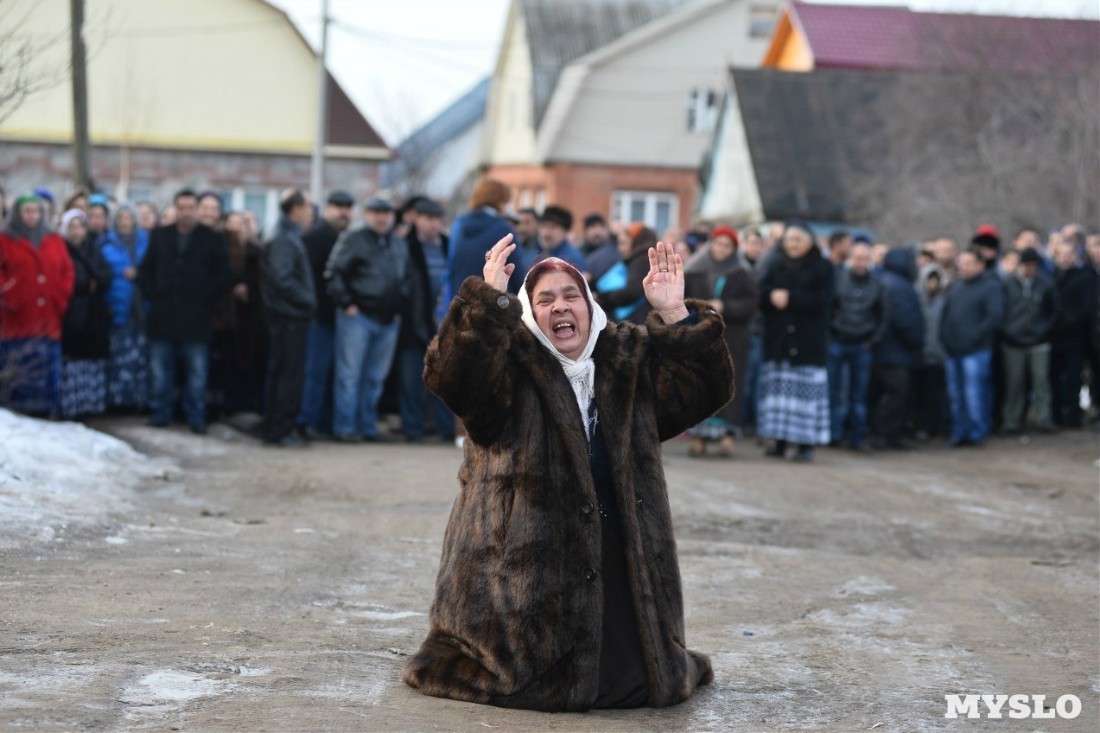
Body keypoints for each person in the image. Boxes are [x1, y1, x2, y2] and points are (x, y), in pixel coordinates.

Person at [403, 237, 731, 711]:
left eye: (571, 295)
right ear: (529, 312)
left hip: (620, 553)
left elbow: (702, 392)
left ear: (589, 303)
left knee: (633, 686)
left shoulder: (627, 355)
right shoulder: (508, 362)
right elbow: (452, 380)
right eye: (545, 299)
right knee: (533, 679)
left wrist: (677, 316)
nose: (561, 306)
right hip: (519, 572)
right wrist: (485, 305)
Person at [139, 188, 232, 434]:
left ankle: (196, 416)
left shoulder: (211, 238)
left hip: (196, 316)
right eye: (182, 208)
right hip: (163, 314)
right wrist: (154, 291)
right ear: (176, 208)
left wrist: (204, 293)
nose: (186, 213)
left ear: (197, 210)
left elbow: (224, 274)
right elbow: (145, 270)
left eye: (191, 208)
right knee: (160, 370)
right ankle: (160, 413)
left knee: (197, 372)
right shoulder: (160, 236)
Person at [325, 197, 410, 442]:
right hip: (357, 317)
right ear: (367, 215)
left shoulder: (397, 243)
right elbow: (333, 273)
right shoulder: (353, 239)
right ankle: (345, 427)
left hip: (388, 320)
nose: (381, 217)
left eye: (386, 212)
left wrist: (399, 305)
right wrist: (346, 304)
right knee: (350, 375)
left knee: (375, 378)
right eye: (376, 212)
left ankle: (366, 426)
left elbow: (405, 278)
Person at [757, 221, 834, 462]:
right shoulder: (775, 263)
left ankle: (804, 444)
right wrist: (771, 297)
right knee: (780, 395)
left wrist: (792, 298)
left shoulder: (823, 267)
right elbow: (759, 294)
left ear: (810, 242)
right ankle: (778, 442)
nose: (793, 244)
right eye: (789, 239)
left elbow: (825, 301)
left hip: (808, 341)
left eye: (798, 240)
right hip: (779, 340)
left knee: (805, 397)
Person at [683, 226, 757, 456]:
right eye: (718, 244)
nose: (722, 250)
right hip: (702, 335)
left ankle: (727, 436)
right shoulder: (695, 269)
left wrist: (727, 307)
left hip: (732, 336)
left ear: (734, 249)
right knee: (701, 383)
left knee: (729, 383)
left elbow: (751, 304)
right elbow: (682, 300)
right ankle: (700, 436)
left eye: (727, 246)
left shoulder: (742, 273)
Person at [0, 195, 74, 417]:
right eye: (27, 211)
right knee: (19, 368)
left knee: (47, 366)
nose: (32, 216)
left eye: (35, 211)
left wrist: (59, 297)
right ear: (18, 214)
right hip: (17, 319)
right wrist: (9, 293)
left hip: (48, 319)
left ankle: (45, 410)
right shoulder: (5, 239)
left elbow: (66, 271)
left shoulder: (54, 240)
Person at [259, 189, 316, 447]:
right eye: (307, 206)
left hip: (291, 315)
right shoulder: (283, 237)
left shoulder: (288, 234)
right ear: (295, 209)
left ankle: (281, 428)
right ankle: (279, 430)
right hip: (288, 316)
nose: (310, 211)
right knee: (286, 375)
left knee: (286, 374)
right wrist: (307, 299)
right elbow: (282, 279)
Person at [395, 198, 454, 443]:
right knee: (410, 378)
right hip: (413, 321)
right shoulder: (404, 245)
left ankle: (446, 429)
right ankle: (412, 428)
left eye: (437, 220)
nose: (433, 225)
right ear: (416, 219)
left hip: (443, 323)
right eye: (428, 219)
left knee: (443, 379)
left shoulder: (449, 245)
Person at [297, 190, 354, 438]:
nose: (343, 212)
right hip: (319, 316)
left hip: (336, 317)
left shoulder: (344, 236)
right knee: (316, 372)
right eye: (338, 206)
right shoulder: (316, 237)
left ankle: (321, 422)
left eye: (348, 207)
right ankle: (307, 421)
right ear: (328, 208)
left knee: (331, 373)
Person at [940, 250, 1004, 447]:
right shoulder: (956, 286)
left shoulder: (990, 287)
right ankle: (960, 431)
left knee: (974, 394)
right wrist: (946, 338)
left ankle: (977, 431)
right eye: (962, 263)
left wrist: (973, 338)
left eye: (969, 263)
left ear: (979, 265)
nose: (964, 267)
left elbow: (993, 318)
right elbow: (946, 315)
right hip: (953, 350)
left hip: (976, 350)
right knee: (956, 394)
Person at [827, 242, 885, 452]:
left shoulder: (877, 284)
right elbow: (830, 308)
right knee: (834, 391)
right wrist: (832, 334)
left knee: (858, 395)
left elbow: (882, 316)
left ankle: (857, 436)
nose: (861, 263)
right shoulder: (838, 279)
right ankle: (834, 434)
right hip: (839, 341)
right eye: (858, 258)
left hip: (862, 344)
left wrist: (872, 340)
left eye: (865, 259)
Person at [58, 209, 113, 419]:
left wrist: (95, 282)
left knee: (92, 359)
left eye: (80, 226)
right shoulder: (62, 250)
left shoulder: (94, 249)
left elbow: (106, 276)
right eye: (71, 227)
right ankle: (72, 405)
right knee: (72, 358)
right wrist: (83, 284)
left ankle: (92, 404)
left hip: (93, 314)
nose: (76, 231)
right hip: (71, 313)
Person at [1000, 247, 1059, 434]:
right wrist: (1008, 331)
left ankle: (1044, 419)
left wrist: (1043, 330)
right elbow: (1000, 311)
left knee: (1041, 381)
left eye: (1034, 266)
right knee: (1014, 383)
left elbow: (1054, 311)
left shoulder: (1046, 284)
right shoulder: (1008, 284)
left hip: (1039, 341)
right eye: (1027, 265)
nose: (1031, 269)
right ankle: (1012, 420)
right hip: (1013, 342)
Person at [870, 248, 925, 449]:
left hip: (885, 350)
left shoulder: (884, 280)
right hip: (896, 353)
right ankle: (886, 434)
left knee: (886, 394)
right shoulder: (899, 286)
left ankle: (884, 434)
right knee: (895, 394)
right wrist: (916, 342)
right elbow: (906, 320)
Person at [100, 205, 150, 410]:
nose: (125, 222)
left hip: (140, 308)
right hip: (117, 306)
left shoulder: (146, 243)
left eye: (129, 218)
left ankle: (138, 400)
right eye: (121, 218)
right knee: (117, 357)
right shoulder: (107, 245)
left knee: (139, 357)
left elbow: (153, 270)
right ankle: (117, 400)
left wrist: (138, 273)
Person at [447, 178, 522, 301]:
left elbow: (451, 269)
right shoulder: (503, 229)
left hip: (462, 301)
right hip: (493, 304)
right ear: (500, 201)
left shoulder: (458, 225)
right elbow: (516, 274)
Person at [1050, 240, 1097, 428]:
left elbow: (1088, 307)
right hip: (1054, 337)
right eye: (1060, 254)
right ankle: (1057, 414)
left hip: (1076, 338)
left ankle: (1073, 415)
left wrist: (1071, 319)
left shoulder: (1084, 276)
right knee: (1053, 378)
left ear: (1075, 255)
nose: (1064, 258)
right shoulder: (1052, 276)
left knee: (1073, 378)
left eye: (1068, 254)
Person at [913, 264, 950, 440]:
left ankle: (938, 425)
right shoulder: (917, 299)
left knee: (938, 393)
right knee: (921, 394)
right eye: (930, 280)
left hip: (939, 354)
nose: (933, 284)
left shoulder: (943, 300)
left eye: (936, 281)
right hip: (920, 355)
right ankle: (923, 426)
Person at [596, 224, 656, 325]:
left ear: (637, 241)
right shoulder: (639, 259)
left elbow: (632, 292)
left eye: (623, 243)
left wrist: (603, 298)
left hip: (639, 318)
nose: (620, 249)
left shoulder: (642, 260)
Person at [531, 205, 586, 272]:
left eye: (553, 227)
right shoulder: (532, 253)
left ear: (565, 231)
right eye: (544, 226)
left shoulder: (572, 261)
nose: (546, 233)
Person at [583, 213, 620, 284]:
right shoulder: (579, 252)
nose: (597, 232)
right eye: (593, 227)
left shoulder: (610, 251)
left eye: (600, 227)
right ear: (586, 230)